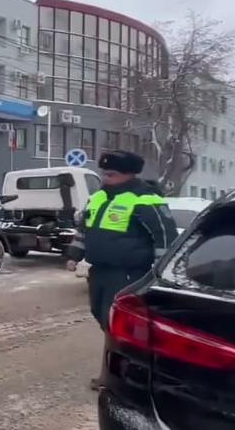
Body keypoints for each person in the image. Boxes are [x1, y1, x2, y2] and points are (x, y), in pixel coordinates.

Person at [65, 150, 178, 390]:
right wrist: (74, 254)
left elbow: (166, 238)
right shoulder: (98, 198)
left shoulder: (146, 199)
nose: (105, 178)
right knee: (103, 318)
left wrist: (160, 273)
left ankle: (118, 376)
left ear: (129, 174)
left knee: (119, 324)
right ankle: (123, 371)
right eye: (104, 173)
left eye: (111, 174)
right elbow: (83, 231)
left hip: (129, 273)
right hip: (100, 272)